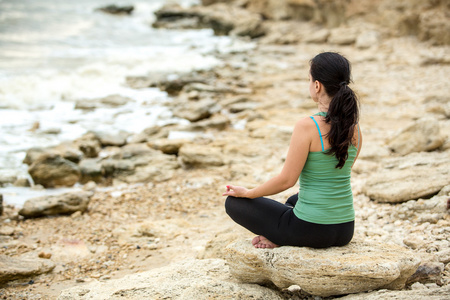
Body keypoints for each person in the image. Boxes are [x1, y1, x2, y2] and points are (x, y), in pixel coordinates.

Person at [223, 52, 362, 249]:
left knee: (233, 203)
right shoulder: (355, 128)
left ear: (317, 85)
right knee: (294, 199)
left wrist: (248, 193)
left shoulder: (308, 125)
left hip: (310, 230)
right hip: (345, 229)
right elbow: (339, 172)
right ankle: (279, 235)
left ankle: (282, 237)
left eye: (309, 79)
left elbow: (287, 180)